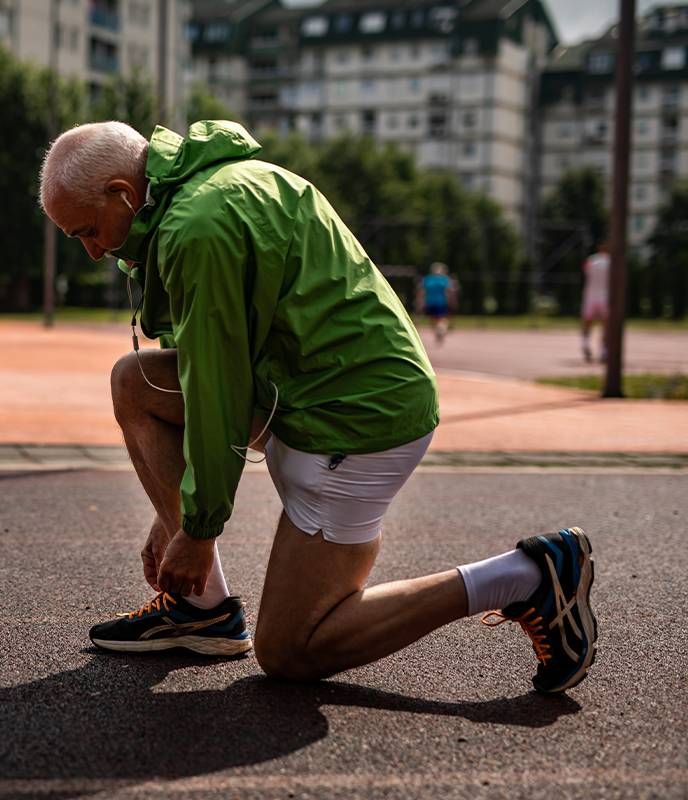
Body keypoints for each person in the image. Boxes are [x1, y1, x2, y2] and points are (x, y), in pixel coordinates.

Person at [38, 120, 597, 693]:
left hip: (355, 420)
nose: (91, 251)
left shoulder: (195, 228)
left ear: (123, 194)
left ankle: (528, 575)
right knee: (137, 383)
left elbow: (217, 388)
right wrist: (173, 514)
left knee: (290, 651)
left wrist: (197, 531)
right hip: (308, 386)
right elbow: (207, 369)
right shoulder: (216, 188)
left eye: (86, 231)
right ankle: (200, 610)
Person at [581, 243, 611, 363]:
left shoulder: (591, 260)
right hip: (605, 295)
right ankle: (604, 351)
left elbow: (585, 272)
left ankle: (585, 344)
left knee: (587, 322)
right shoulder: (611, 262)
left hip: (590, 295)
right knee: (606, 325)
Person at [416, 262, 458, 345]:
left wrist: (420, 302)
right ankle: (441, 329)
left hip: (430, 302)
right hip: (441, 302)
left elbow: (421, 292)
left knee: (433, 319)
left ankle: (439, 330)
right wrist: (453, 301)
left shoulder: (427, 279)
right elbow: (450, 292)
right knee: (442, 318)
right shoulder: (445, 280)